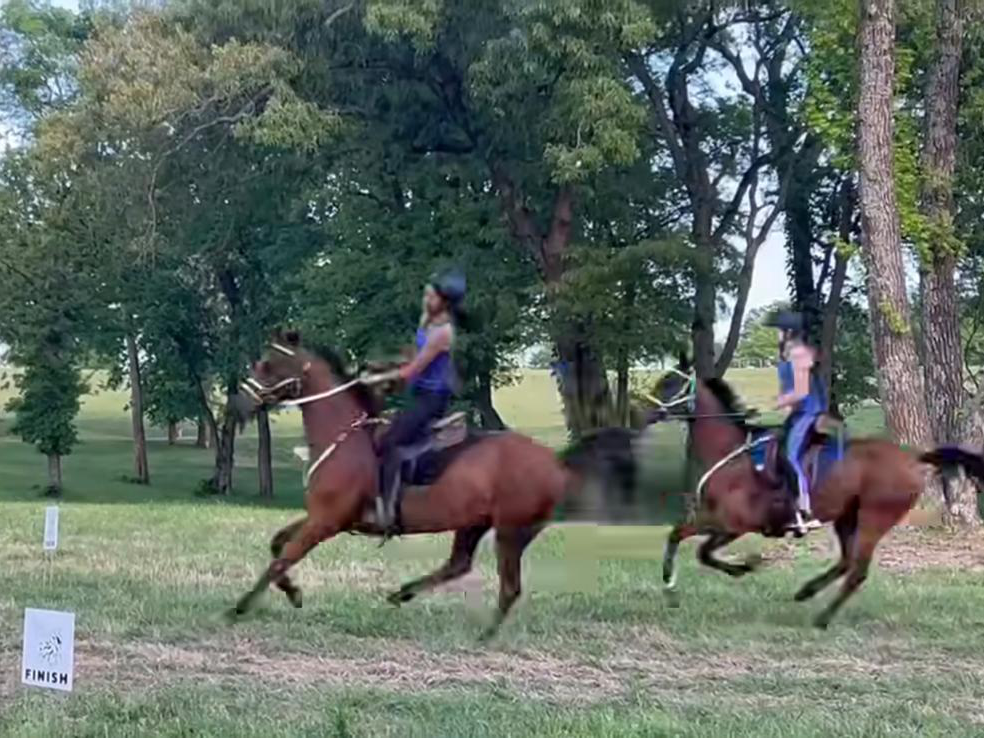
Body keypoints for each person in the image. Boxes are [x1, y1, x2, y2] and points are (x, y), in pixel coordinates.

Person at [375, 270, 465, 530]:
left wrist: (382, 378)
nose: (426, 299)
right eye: (425, 294)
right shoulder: (427, 321)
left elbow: (415, 369)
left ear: (444, 302)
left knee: (390, 442)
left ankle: (388, 513)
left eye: (431, 296)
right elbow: (414, 357)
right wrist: (388, 364)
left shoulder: (444, 333)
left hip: (433, 398)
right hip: (417, 395)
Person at [766, 311, 828, 534]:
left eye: (778, 331)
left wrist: (778, 402)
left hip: (810, 412)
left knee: (790, 456)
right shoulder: (786, 356)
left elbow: (801, 392)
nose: (776, 335)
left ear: (788, 332)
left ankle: (806, 511)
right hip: (798, 414)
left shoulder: (800, 354)